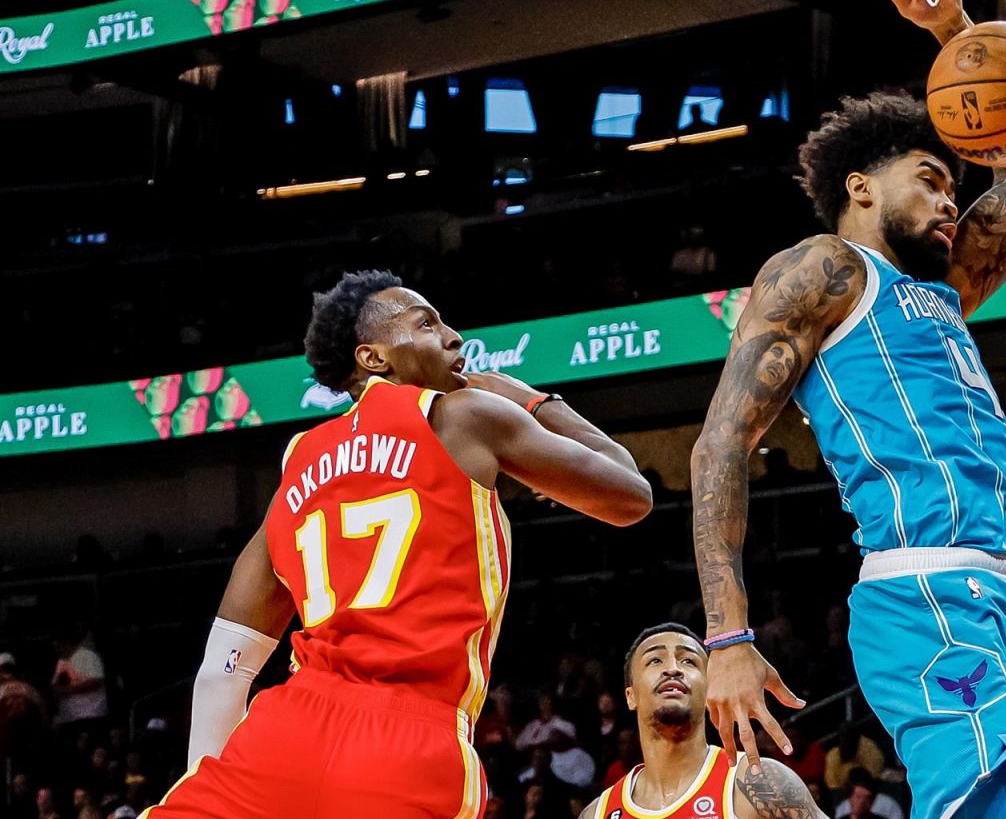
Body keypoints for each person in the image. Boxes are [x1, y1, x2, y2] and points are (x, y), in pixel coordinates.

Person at [691, 0, 1006, 819]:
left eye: (953, 187)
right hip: (923, 585)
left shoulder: (944, 284)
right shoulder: (827, 270)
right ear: (860, 187)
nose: (950, 201)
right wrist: (727, 636)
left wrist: (954, 28)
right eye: (932, 179)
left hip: (995, 590)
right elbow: (719, 445)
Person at [142, 271, 652, 818]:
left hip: (286, 731)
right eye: (427, 323)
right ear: (373, 358)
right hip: (411, 738)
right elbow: (629, 494)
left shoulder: (299, 461)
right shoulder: (464, 416)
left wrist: (215, 784)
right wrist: (531, 401)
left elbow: (226, 664)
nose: (455, 337)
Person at [576, 624, 825, 819]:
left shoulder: (760, 783)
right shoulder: (598, 813)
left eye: (688, 661)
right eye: (655, 660)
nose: (673, 668)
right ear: (631, 696)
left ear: (709, 689)